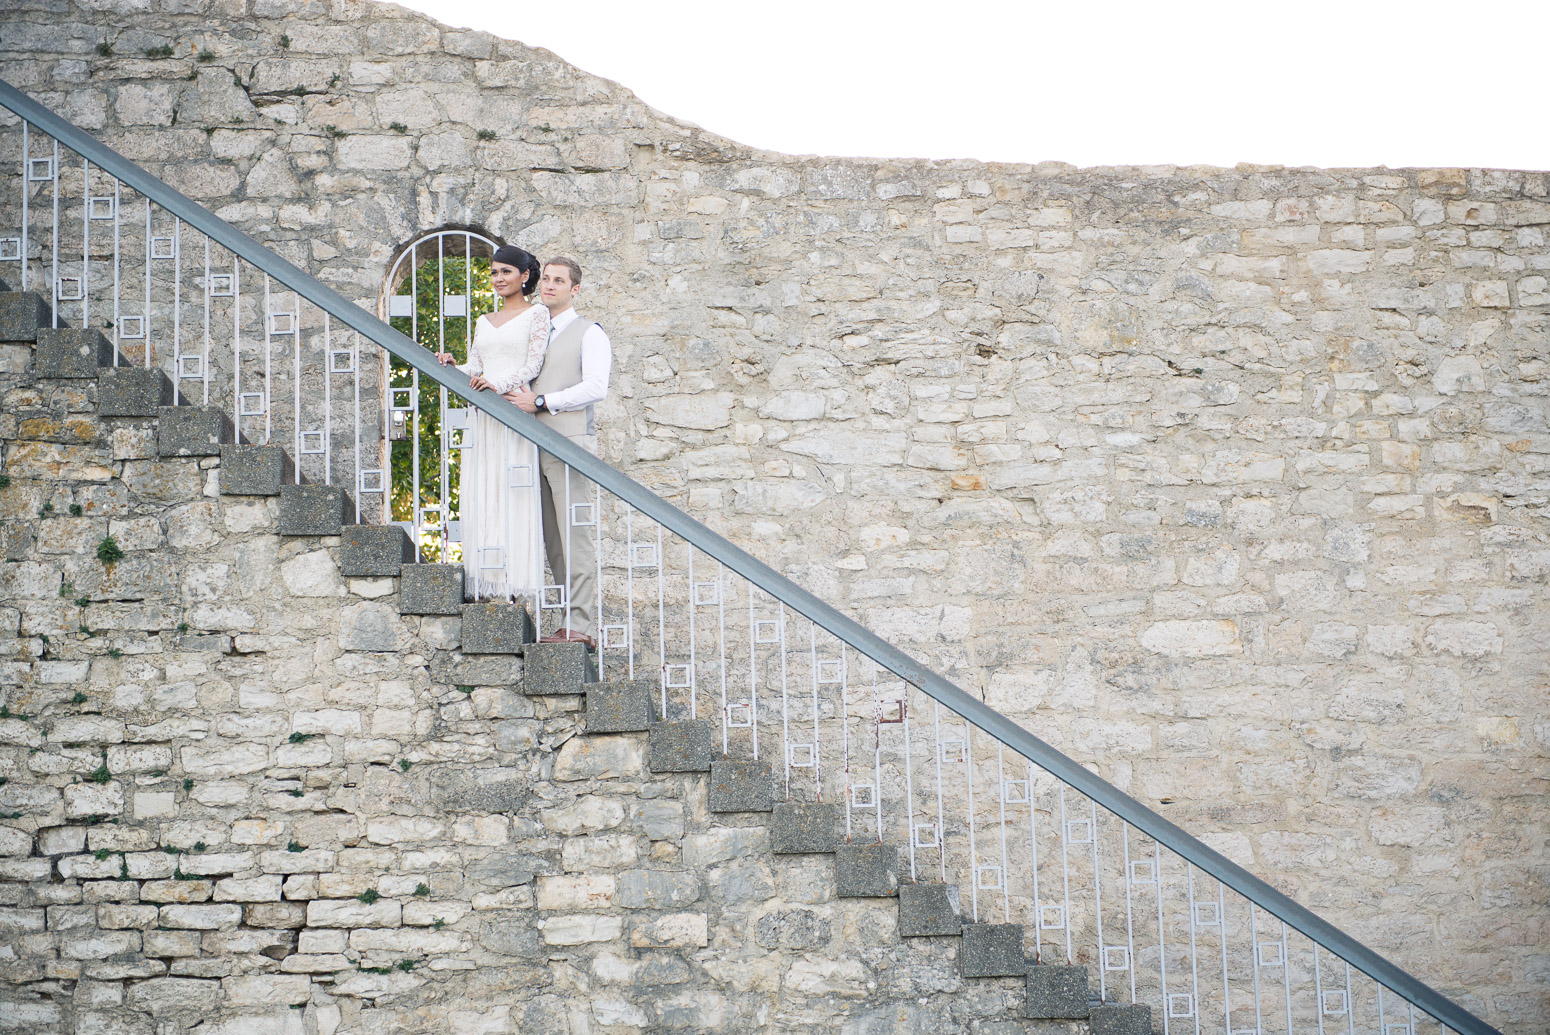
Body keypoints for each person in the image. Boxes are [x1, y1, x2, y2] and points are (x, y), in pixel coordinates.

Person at [505, 256, 612, 650]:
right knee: (553, 541)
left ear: (575, 289)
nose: (548, 285)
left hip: (568, 445)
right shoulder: (532, 332)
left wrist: (543, 400)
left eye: (558, 280)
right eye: (545, 279)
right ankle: (566, 621)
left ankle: (580, 626)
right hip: (530, 444)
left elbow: (596, 387)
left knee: (575, 538)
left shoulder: (589, 333)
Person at [434, 245, 548, 604]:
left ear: (524, 276)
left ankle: (515, 587)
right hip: (482, 414)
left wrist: (499, 386)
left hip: (512, 409)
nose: (499, 279)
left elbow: (533, 365)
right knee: (483, 490)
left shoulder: (537, 314)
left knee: (512, 492)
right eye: (495, 272)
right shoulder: (484, 321)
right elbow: (476, 368)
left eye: (506, 272)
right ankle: (484, 581)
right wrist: (452, 367)